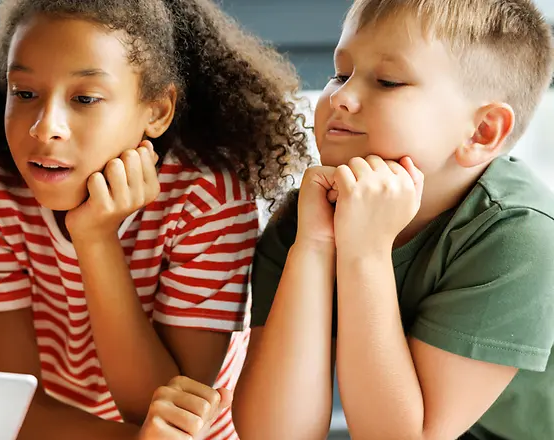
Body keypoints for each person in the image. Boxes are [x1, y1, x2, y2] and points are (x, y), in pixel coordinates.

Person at [0, 0, 313, 438]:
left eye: (85, 98)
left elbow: (170, 409)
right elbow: (10, 403)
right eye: (24, 93)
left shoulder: (206, 200)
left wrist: (95, 238)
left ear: (156, 111)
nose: (45, 128)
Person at [234, 1, 554, 439]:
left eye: (387, 81)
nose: (341, 96)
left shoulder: (520, 237)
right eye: (340, 73)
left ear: (482, 132)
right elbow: (275, 433)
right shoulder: (305, 222)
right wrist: (314, 246)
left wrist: (366, 252)